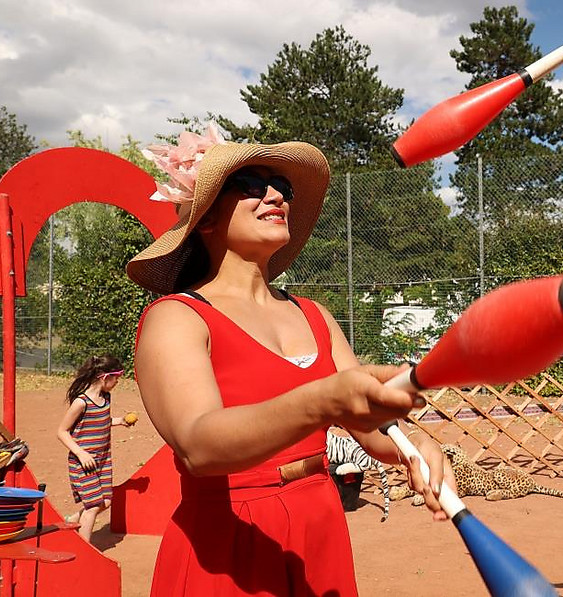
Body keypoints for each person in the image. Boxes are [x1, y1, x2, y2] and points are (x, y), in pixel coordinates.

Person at [127, 124, 454, 596]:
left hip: (319, 528)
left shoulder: (314, 314)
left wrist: (413, 447)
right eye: (252, 186)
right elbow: (199, 447)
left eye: (282, 188)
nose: (277, 195)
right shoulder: (177, 317)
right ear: (205, 220)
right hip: (229, 543)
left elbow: (368, 423)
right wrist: (323, 401)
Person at [56, 354, 133, 542]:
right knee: (92, 506)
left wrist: (120, 421)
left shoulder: (106, 398)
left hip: (103, 459)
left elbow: (102, 421)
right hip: (83, 462)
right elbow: (62, 431)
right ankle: (86, 552)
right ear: (105, 377)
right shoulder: (81, 402)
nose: (117, 382)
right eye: (116, 378)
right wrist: (81, 454)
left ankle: (74, 519)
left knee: (105, 502)